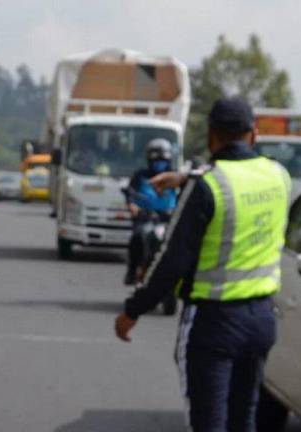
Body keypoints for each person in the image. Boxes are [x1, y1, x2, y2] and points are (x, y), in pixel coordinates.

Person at [114, 97, 290, 431]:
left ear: (211, 136)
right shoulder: (279, 176)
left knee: (208, 423)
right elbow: (239, 178)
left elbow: (171, 261)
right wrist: (184, 178)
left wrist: (133, 310)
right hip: (262, 320)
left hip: (214, 323)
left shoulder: (206, 186)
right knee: (244, 418)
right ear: (253, 133)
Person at [123, 138, 177, 285]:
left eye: (162, 160)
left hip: (168, 221)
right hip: (145, 219)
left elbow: (184, 195)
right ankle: (132, 270)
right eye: (156, 160)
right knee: (137, 237)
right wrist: (133, 206)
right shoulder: (140, 176)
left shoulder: (174, 177)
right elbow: (130, 194)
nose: (159, 164)